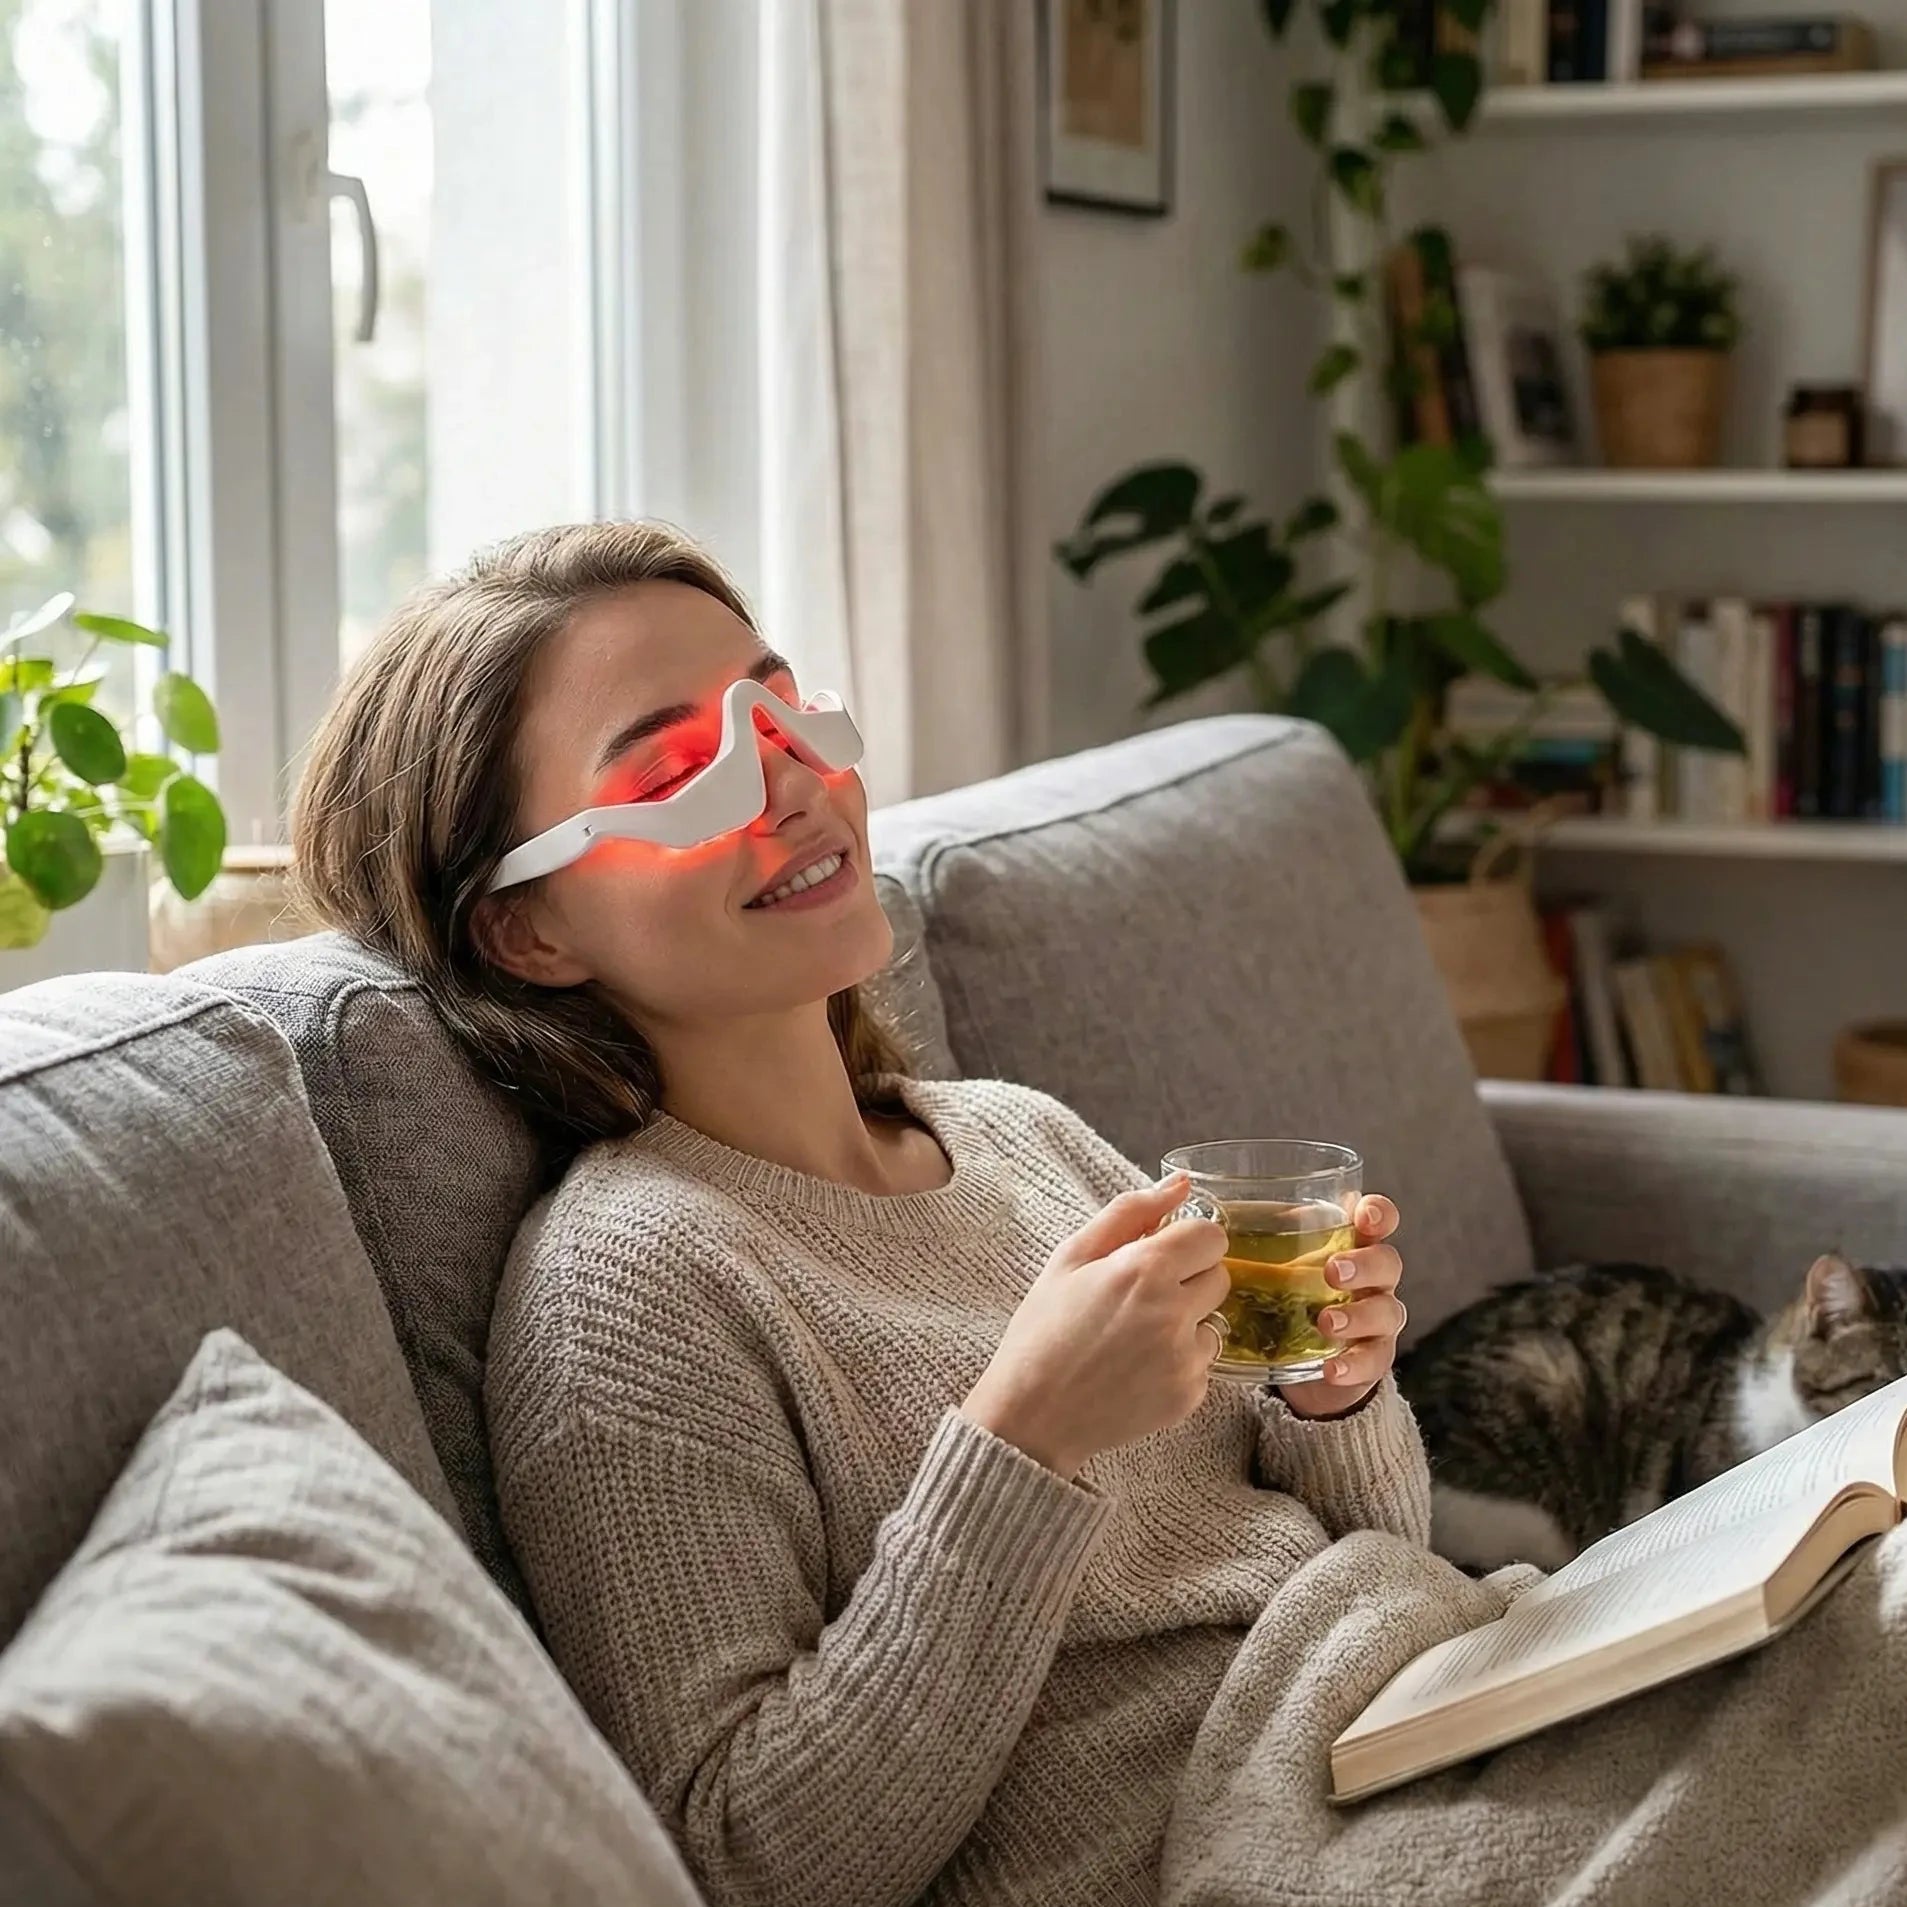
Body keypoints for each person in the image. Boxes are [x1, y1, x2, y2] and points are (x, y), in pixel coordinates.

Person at [292, 521, 1907, 1907]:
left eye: (780, 714)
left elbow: (1355, 1554)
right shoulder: (629, 1288)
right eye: (677, 764)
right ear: (530, 932)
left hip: (1446, 1685)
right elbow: (754, 1860)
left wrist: (1334, 1399)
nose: (791, 784)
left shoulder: (1014, 1139)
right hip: (1254, 1844)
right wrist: (1021, 1443)